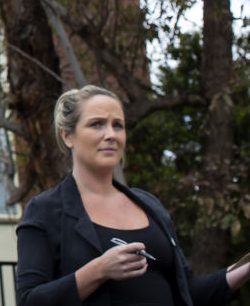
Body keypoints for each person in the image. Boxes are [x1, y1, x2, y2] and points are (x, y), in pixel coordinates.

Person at [16, 85, 250, 306]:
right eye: (97, 124)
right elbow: (29, 300)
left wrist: (244, 269)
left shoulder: (150, 206)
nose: (111, 134)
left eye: (118, 125)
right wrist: (99, 270)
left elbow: (187, 292)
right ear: (68, 136)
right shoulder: (44, 210)